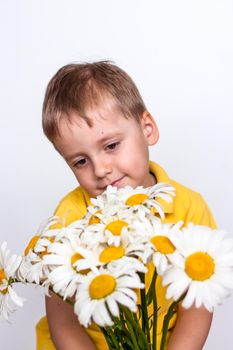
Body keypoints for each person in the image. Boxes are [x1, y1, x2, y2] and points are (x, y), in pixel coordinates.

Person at [36, 61, 216, 350]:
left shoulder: (188, 208)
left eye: (111, 146)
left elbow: (196, 309)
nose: (100, 170)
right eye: (80, 161)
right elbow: (62, 321)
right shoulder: (69, 217)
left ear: (147, 129)